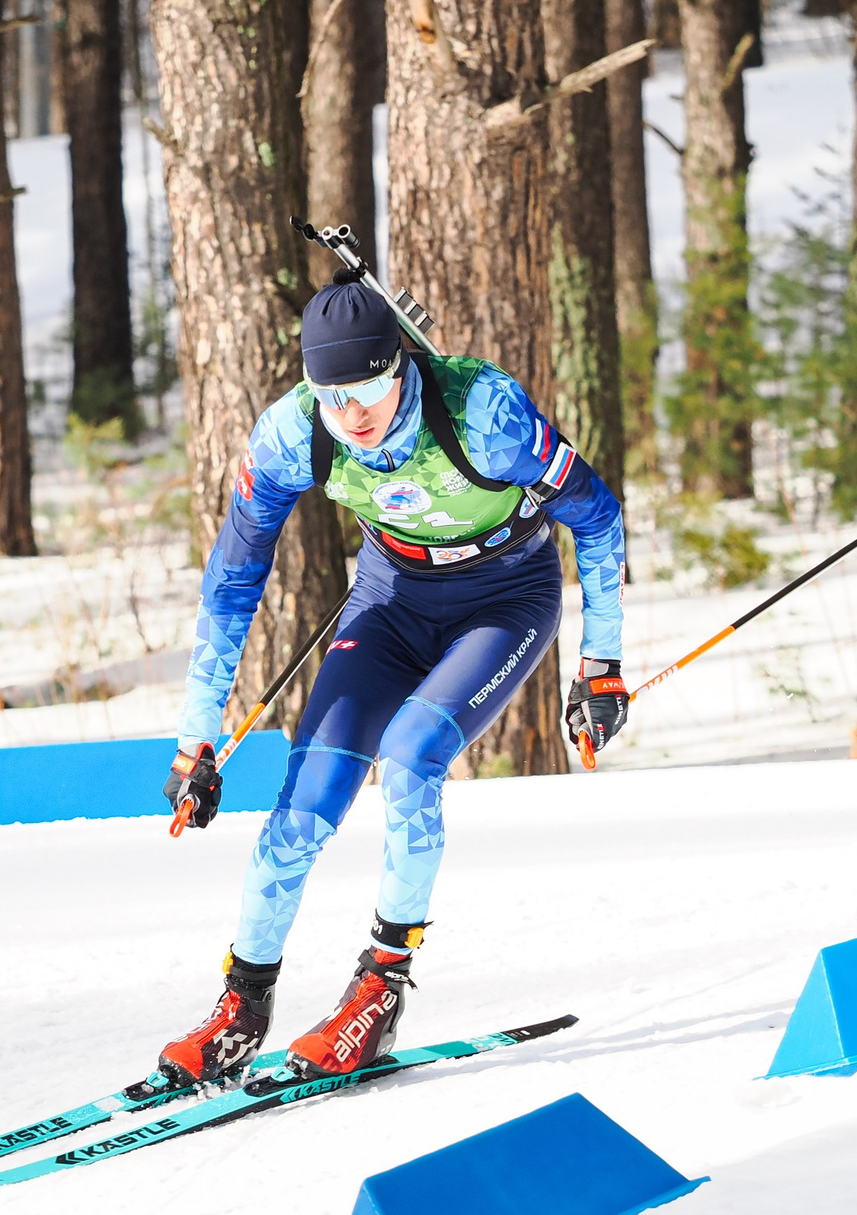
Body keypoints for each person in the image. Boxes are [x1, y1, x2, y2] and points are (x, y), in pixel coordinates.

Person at [155, 270, 633, 1085]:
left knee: (412, 754)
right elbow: (232, 579)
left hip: (504, 599)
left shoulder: (485, 413)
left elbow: (596, 514)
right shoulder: (290, 434)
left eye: (370, 389)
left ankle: (378, 993)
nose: (353, 416)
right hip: (389, 599)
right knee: (303, 802)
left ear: (402, 364)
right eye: (332, 396)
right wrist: (197, 733)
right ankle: (242, 1006)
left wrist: (601, 663)